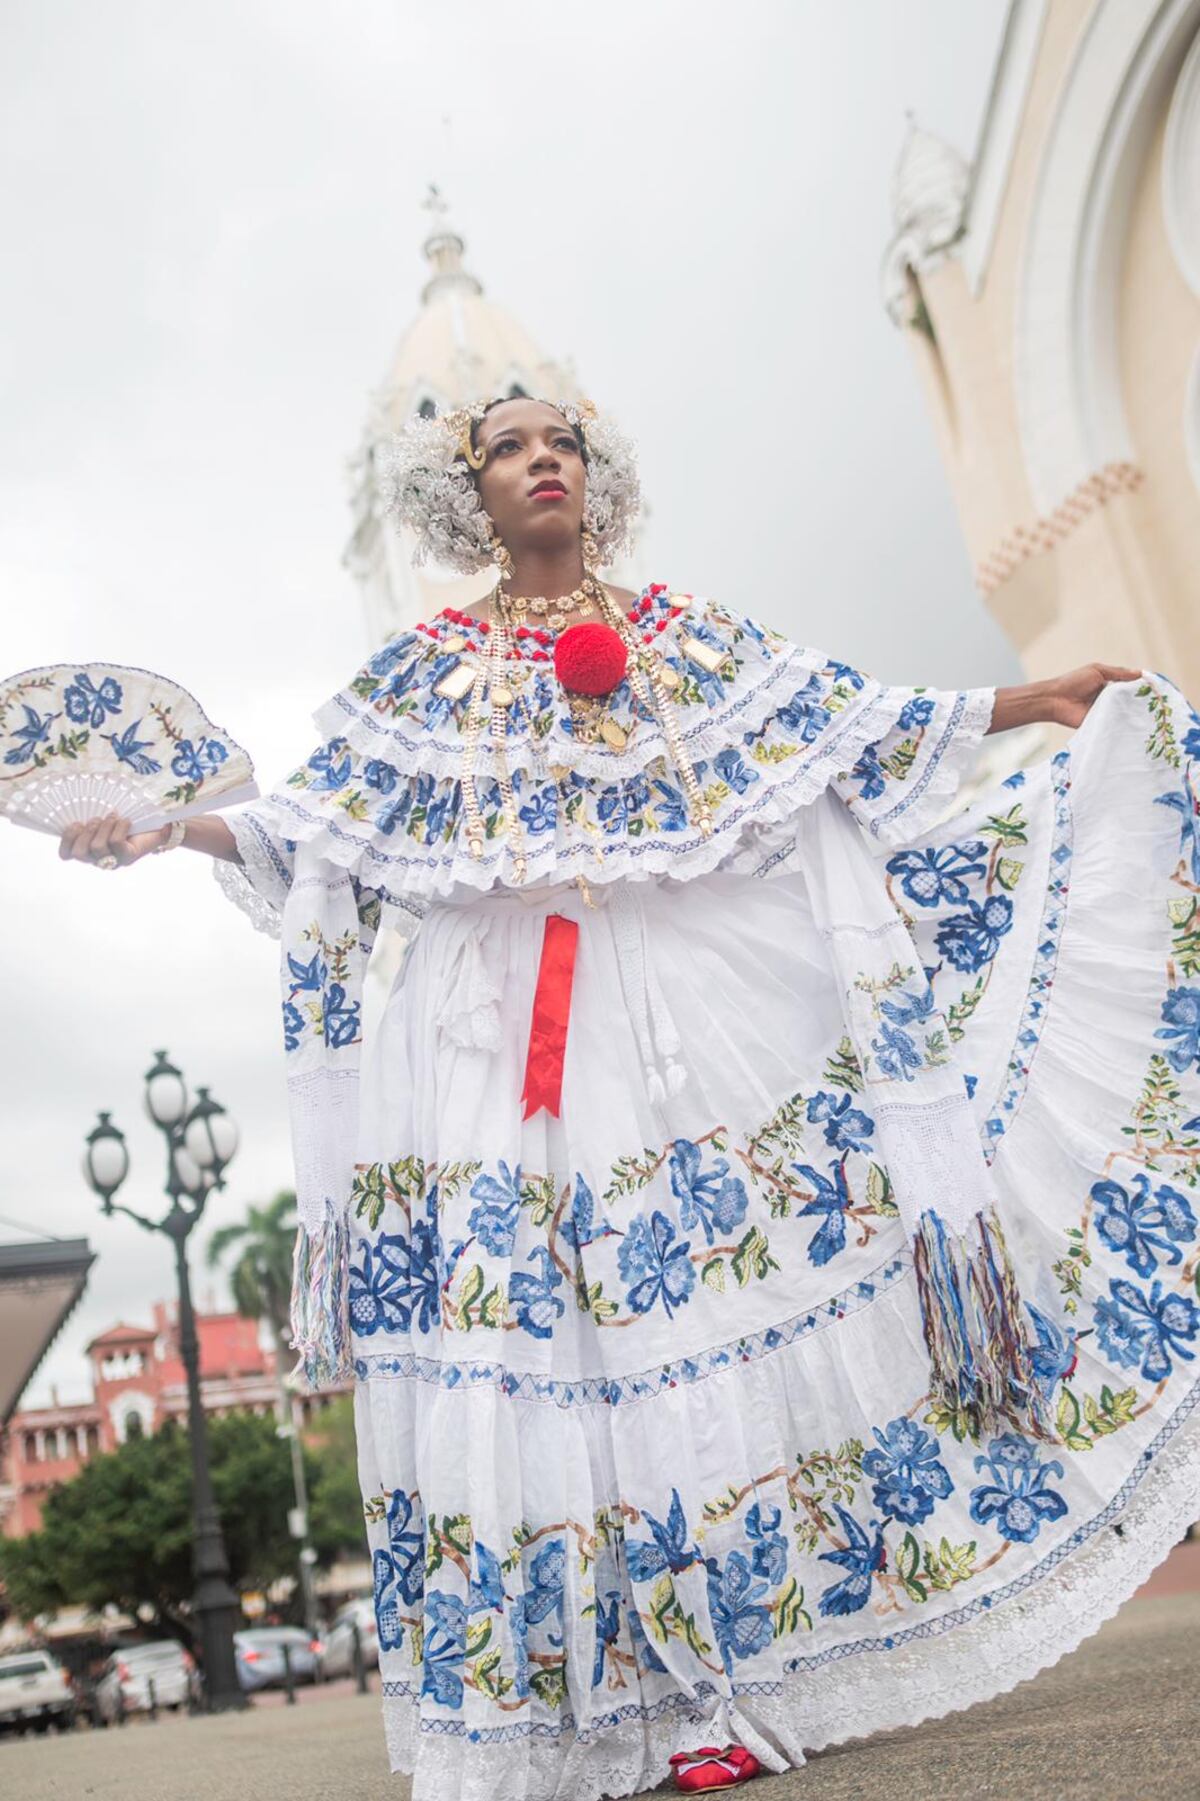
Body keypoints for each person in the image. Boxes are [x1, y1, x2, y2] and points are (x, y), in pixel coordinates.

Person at [59, 396, 1200, 1801]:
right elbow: (309, 828)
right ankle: (579, 1703)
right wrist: (165, 826)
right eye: (509, 446)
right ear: (466, 494)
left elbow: (842, 728)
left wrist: (1030, 701)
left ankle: (713, 1682)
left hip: (678, 1025)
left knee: (685, 1315)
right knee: (550, 1355)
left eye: (567, 442)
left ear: (595, 480)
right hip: (493, 1055)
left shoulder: (683, 634)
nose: (546, 458)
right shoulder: (425, 673)